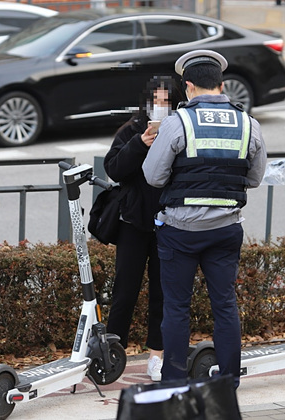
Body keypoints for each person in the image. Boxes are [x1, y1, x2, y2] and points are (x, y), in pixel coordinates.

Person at [142, 50, 267, 388]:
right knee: (225, 304)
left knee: (177, 307)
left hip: (180, 231)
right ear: (222, 85)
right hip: (227, 229)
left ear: (189, 87)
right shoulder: (248, 123)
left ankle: (174, 383)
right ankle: (228, 381)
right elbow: (254, 179)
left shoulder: (177, 123)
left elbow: (152, 176)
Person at [104, 75, 180, 382]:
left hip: (169, 222)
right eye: (155, 101)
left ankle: (156, 356)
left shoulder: (181, 130)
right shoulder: (132, 130)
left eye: (166, 101)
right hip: (133, 223)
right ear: (145, 102)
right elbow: (113, 169)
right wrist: (139, 144)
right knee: (125, 291)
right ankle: (112, 350)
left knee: (163, 292)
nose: (160, 107)